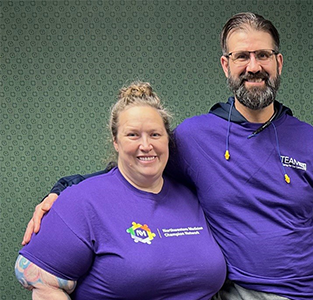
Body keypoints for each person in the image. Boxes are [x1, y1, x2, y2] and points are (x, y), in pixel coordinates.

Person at [21, 12, 313, 300]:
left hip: (312, 292)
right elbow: (136, 168)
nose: (254, 66)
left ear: (278, 62)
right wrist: (65, 188)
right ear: (227, 65)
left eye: (263, 55)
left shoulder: (311, 140)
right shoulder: (196, 137)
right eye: (242, 56)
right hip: (237, 291)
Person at [15, 82, 227, 299]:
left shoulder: (192, 196)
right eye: (133, 135)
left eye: (155, 134)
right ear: (115, 141)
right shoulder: (82, 201)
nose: (146, 145)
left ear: (168, 139)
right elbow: (36, 278)